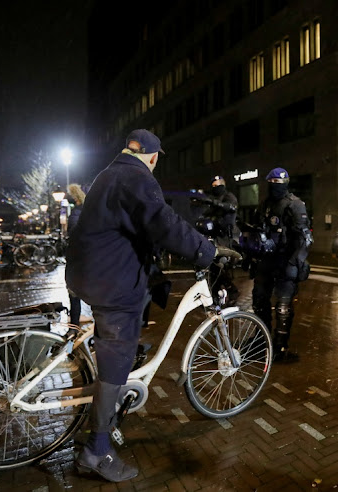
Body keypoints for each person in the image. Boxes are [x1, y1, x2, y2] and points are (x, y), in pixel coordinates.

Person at [65, 129, 218, 482]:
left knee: (139, 310)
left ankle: (119, 385)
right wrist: (204, 250)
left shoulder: (109, 173)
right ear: (151, 156)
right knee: (115, 356)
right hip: (110, 283)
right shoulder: (136, 177)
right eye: (156, 159)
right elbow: (163, 222)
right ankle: (96, 449)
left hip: (89, 273)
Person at [251, 167, 313, 362]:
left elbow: (305, 239)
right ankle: (262, 341)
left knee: (283, 306)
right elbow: (258, 229)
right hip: (267, 260)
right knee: (259, 300)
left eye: (279, 183)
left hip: (286, 260)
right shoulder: (265, 205)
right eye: (273, 183)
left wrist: (295, 262)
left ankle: (280, 346)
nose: (276, 187)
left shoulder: (295, 205)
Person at [199, 175, 240, 304]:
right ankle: (214, 297)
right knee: (212, 268)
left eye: (218, 185)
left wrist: (214, 203)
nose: (216, 188)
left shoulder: (229, 197)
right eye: (214, 186)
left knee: (220, 265)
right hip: (215, 236)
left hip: (226, 237)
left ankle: (231, 291)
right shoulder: (213, 199)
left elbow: (231, 207)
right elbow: (207, 214)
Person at [65, 183, 92, 325]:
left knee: (75, 296)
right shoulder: (85, 213)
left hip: (79, 261)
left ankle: (74, 327)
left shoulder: (78, 213)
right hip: (83, 261)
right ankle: (75, 328)